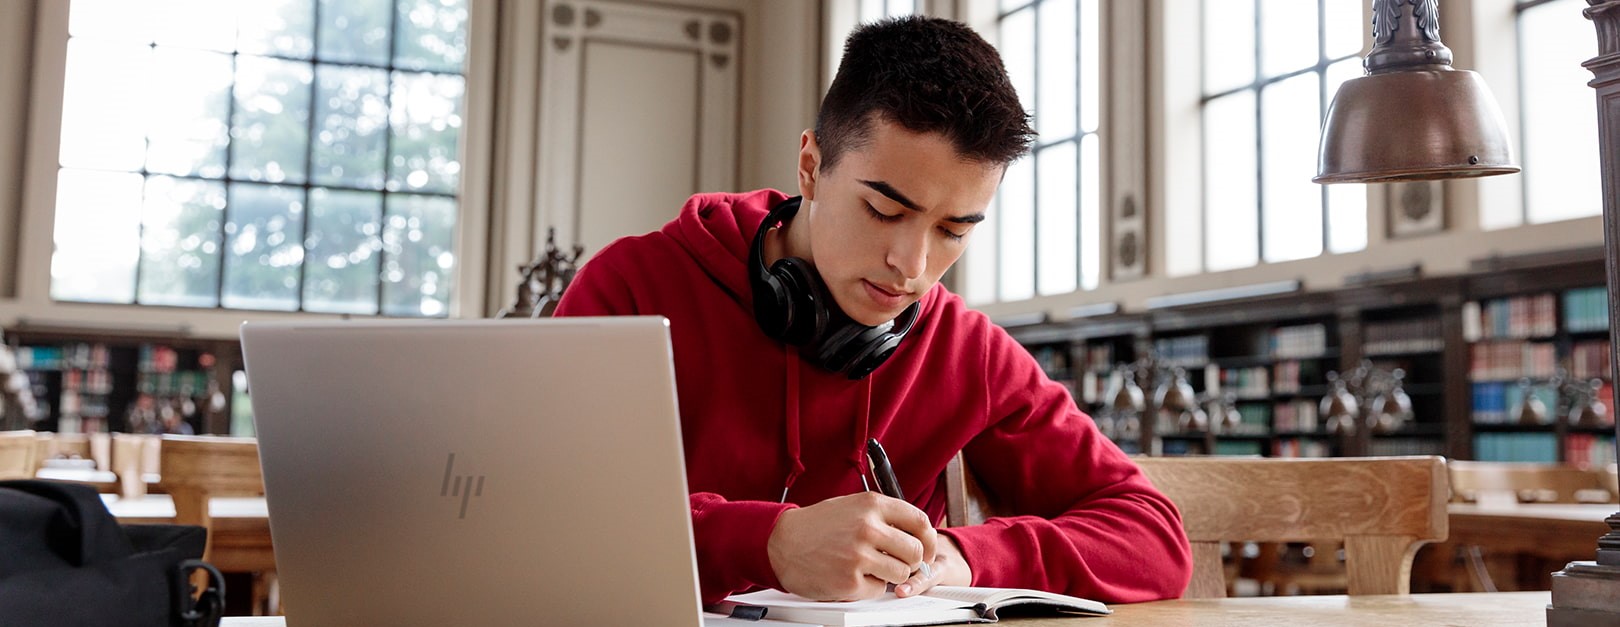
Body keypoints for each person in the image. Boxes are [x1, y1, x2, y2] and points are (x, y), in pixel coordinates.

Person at [555, 16, 1191, 605]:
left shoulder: (964, 349)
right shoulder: (631, 288)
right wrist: (766, 542)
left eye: (954, 230)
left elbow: (1153, 539)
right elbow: (551, 513)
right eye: (884, 212)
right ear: (811, 166)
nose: (911, 265)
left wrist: (957, 557)